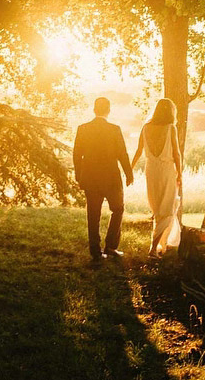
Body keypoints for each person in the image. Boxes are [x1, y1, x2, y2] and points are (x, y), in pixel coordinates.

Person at [73, 97, 134, 262]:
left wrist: (79, 176)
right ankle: (111, 246)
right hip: (111, 178)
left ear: (94, 110)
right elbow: (122, 153)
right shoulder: (114, 129)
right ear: (108, 110)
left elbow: (77, 154)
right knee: (118, 209)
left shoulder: (82, 129)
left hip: (90, 178)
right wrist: (129, 173)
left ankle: (95, 252)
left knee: (93, 214)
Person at [131, 98, 182, 258]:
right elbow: (176, 153)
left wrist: (130, 169)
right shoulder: (170, 128)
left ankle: (160, 244)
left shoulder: (146, 127)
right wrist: (180, 173)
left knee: (158, 209)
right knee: (166, 209)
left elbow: (139, 150)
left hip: (151, 170)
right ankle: (153, 249)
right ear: (171, 112)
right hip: (166, 170)